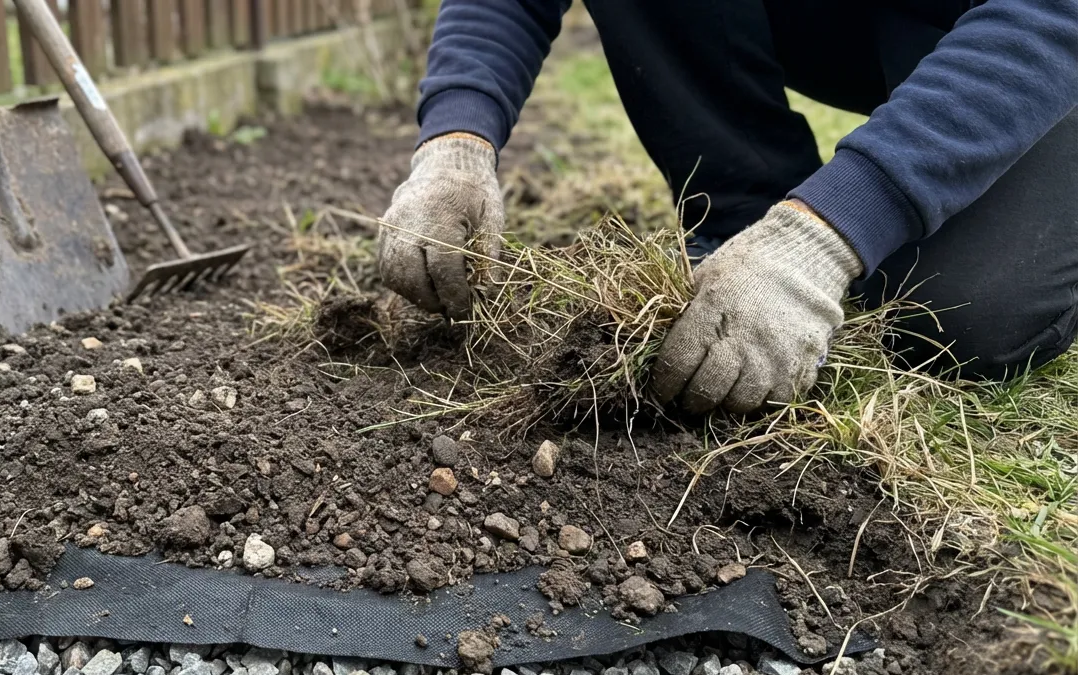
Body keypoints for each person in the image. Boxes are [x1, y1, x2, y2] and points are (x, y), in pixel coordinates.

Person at [377, 1, 1078, 414]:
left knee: (954, 320)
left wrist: (827, 237)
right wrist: (457, 140)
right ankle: (745, 221)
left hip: (1030, 37)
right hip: (843, 22)